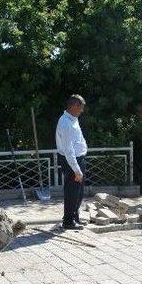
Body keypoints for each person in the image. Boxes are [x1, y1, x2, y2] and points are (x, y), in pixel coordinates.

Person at [56, 94, 88, 230]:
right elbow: (68, 150)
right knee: (72, 191)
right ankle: (68, 221)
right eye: (81, 108)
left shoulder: (73, 119)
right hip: (71, 160)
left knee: (79, 191)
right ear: (74, 106)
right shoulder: (65, 123)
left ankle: (75, 216)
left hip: (78, 158)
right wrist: (76, 169)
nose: (82, 111)